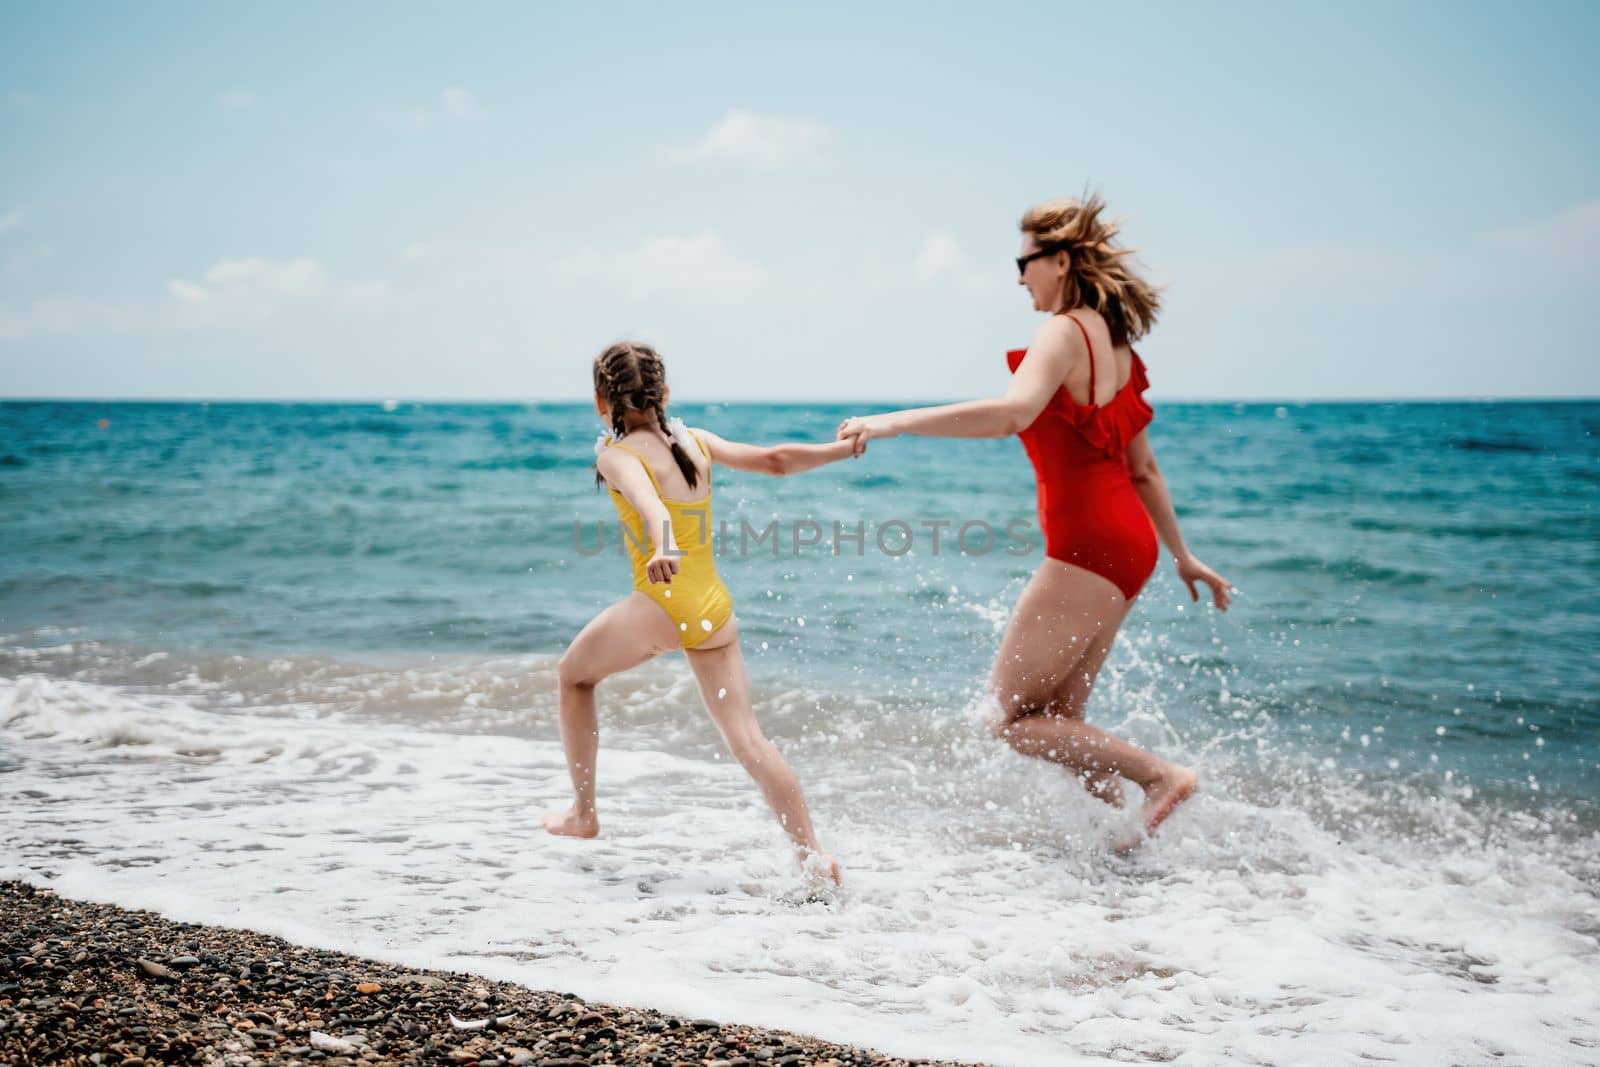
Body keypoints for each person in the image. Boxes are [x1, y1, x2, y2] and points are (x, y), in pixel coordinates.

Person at [837, 194, 1232, 847]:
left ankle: (1162, 778)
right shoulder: (1119, 348)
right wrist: (1182, 555)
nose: (1019, 277)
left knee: (1009, 718)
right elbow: (1145, 470)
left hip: (1087, 546)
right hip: (1130, 547)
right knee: (1064, 720)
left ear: (1062, 260)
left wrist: (891, 421)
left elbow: (1011, 413)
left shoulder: (1064, 332)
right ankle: (1117, 846)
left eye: (1024, 262)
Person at [545, 340, 853, 882]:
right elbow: (777, 461)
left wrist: (663, 544)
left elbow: (648, 501)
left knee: (574, 677)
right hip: (713, 609)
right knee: (750, 741)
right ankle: (812, 855)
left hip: (661, 604)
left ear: (601, 401)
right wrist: (839, 449)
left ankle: (584, 814)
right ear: (664, 393)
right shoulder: (699, 443)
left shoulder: (616, 455)